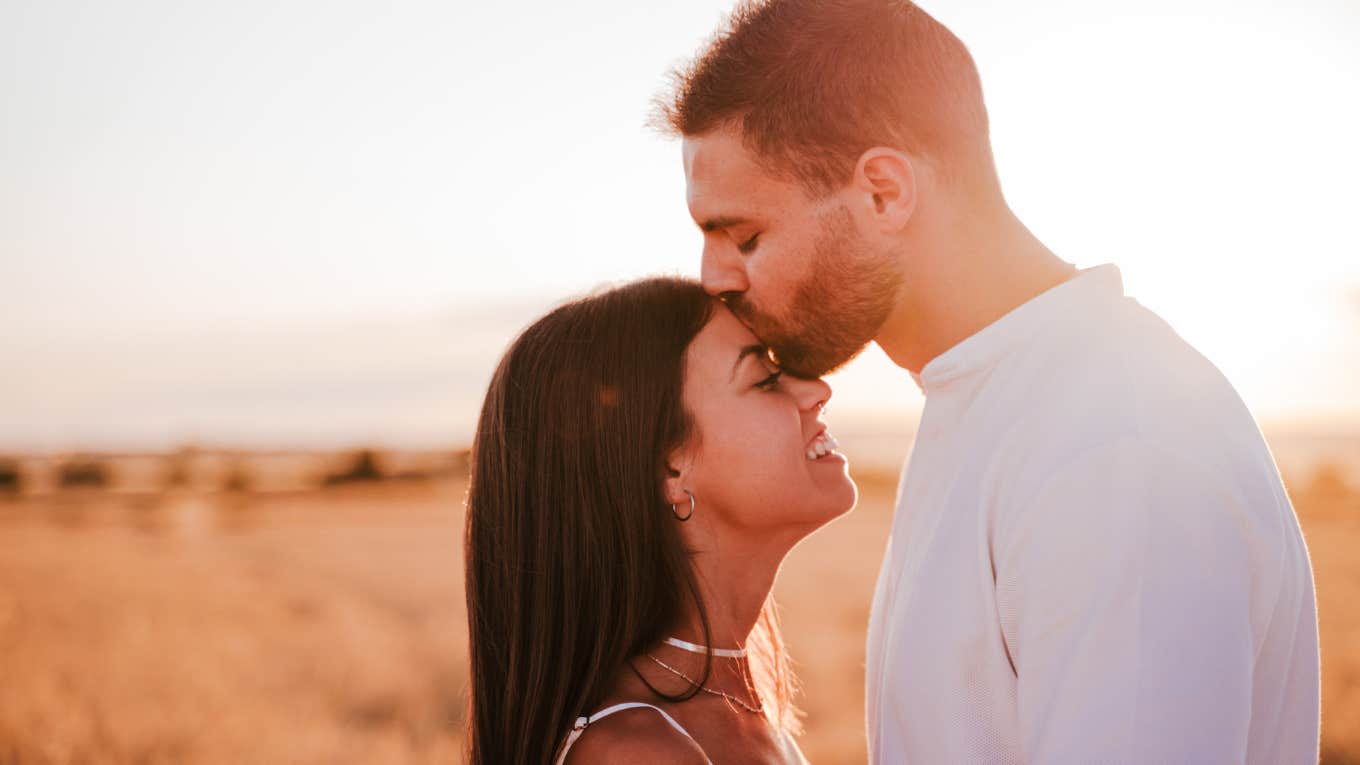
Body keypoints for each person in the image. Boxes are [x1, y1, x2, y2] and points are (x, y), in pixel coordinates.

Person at [657, 0, 1320, 762]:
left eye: (745, 235)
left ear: (883, 192)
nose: (713, 277)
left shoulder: (1114, 445)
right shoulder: (986, 396)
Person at [463, 277, 856, 764]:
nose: (817, 390)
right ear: (671, 467)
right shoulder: (641, 753)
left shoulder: (736, 708)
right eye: (765, 379)